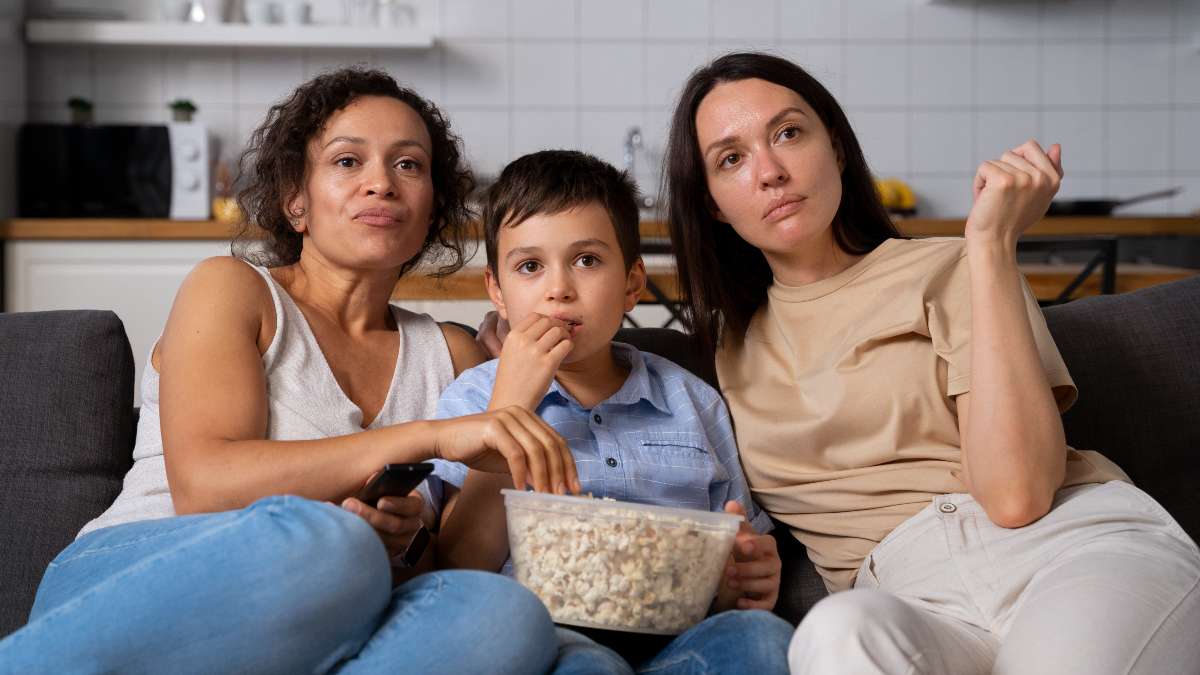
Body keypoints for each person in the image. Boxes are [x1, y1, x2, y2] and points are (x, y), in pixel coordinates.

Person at [0, 68, 577, 674]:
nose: (381, 183)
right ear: (294, 199)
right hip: (137, 574)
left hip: (314, 615)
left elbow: (434, 567)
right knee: (333, 544)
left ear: (432, 207)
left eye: (409, 165)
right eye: (348, 162)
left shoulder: (452, 354)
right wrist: (428, 439)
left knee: (499, 612)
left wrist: (401, 540)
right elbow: (207, 486)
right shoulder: (232, 290)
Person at [660, 51, 1200, 674]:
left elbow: (1018, 495)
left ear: (835, 147)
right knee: (836, 632)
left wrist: (991, 247)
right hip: (908, 602)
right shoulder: (719, 352)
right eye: (732, 158)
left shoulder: (954, 266)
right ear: (713, 205)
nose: (771, 171)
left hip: (1073, 555)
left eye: (787, 133)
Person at [429, 149, 794, 675]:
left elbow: (734, 552)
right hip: (549, 643)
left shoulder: (694, 402)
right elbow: (459, 565)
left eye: (587, 260)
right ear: (498, 292)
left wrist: (744, 573)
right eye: (530, 266)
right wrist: (509, 411)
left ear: (632, 284)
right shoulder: (471, 400)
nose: (559, 289)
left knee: (762, 640)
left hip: (680, 637)